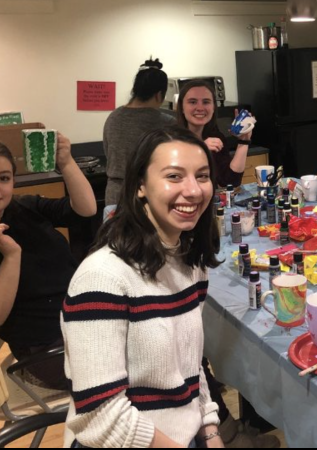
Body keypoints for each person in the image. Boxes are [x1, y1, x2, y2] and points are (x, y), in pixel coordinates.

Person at [62, 126, 224, 448]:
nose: (193, 191)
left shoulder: (188, 262)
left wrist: (210, 429)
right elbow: (101, 415)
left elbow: (190, 366)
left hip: (184, 434)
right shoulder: (102, 277)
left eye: (202, 176)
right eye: (174, 177)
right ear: (140, 185)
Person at [0, 136, 96, 389]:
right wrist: (11, 257)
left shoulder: (24, 208)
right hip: (47, 352)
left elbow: (85, 210)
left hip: (86, 326)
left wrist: (66, 163)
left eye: (3, 178)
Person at [103, 58, 175, 218]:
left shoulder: (113, 117)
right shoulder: (166, 122)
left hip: (115, 195)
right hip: (148, 196)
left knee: (115, 242)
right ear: (159, 95)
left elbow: (108, 153)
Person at [176, 79, 253, 188]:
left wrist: (243, 141)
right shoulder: (171, 139)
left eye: (206, 102)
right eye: (192, 102)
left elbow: (230, 182)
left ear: (213, 108)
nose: (200, 108)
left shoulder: (215, 138)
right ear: (182, 107)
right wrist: (200, 148)